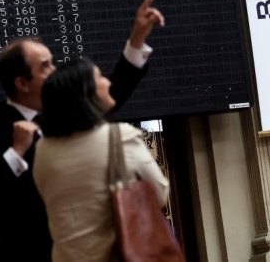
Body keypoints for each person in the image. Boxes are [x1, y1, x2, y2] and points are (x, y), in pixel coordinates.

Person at [0, 0, 165, 262]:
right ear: (22, 83)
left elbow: (107, 95)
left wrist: (136, 41)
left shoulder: (61, 117)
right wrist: (15, 152)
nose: (55, 71)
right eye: (45, 67)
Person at [33, 58, 170, 262]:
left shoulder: (43, 148)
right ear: (85, 94)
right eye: (99, 78)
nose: (107, 82)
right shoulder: (120, 136)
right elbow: (160, 193)